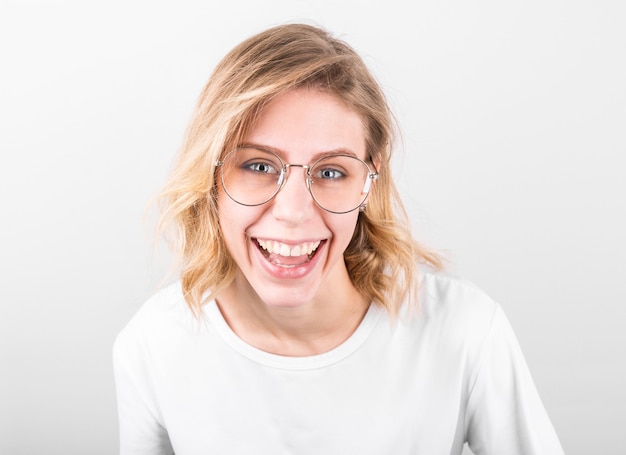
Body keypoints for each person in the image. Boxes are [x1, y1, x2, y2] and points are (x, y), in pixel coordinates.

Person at [113, 23, 564, 454]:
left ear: (369, 182)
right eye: (257, 165)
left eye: (331, 172)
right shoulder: (153, 345)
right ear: (210, 175)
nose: (292, 213)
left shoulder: (465, 332)